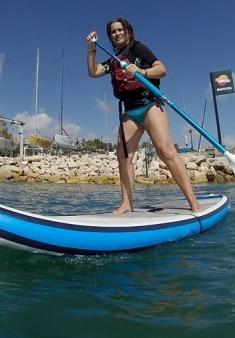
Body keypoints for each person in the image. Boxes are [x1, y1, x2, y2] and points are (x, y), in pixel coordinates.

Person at [85, 18, 203, 214]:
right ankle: (127, 203)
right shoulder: (114, 59)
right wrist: (91, 48)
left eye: (120, 30)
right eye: (113, 32)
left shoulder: (139, 49)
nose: (117, 33)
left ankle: (192, 201)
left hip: (150, 105)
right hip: (129, 111)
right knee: (123, 157)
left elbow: (162, 69)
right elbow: (94, 71)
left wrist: (141, 70)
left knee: (165, 151)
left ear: (128, 32)